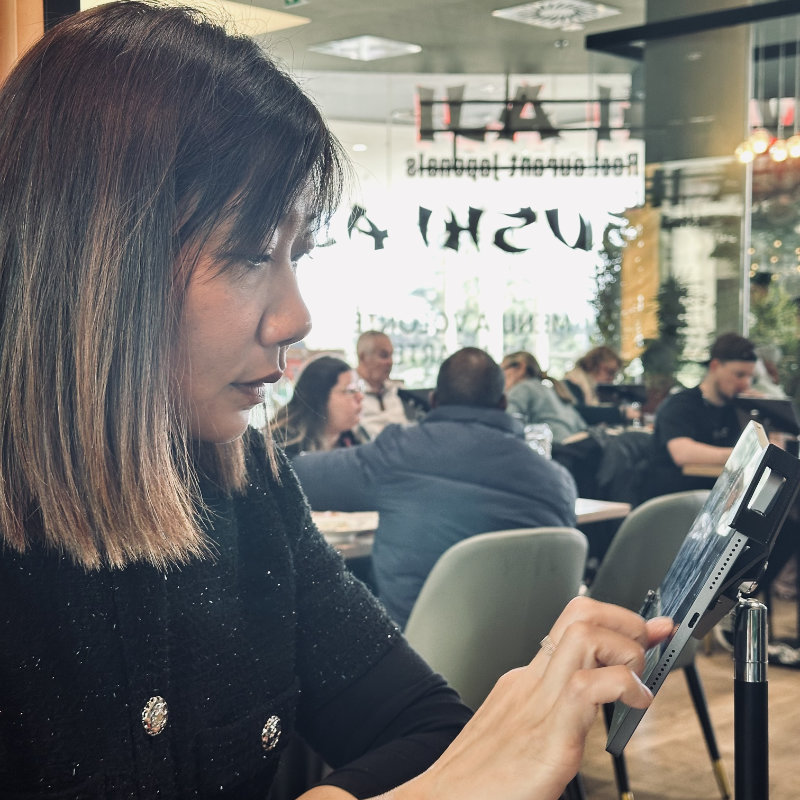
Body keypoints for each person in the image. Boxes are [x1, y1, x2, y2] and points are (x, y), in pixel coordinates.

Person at [0, 5, 673, 799]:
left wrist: (503, 731)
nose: (296, 318)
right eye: (252, 252)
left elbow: (427, 730)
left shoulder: (246, 481)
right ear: (98, 258)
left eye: (298, 254)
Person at [293, 347, 578, 628]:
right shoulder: (557, 481)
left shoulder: (399, 451)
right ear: (503, 403)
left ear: (433, 400)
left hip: (417, 650)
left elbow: (298, 476)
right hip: (532, 651)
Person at [640, 332, 757, 502]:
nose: (746, 383)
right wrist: (742, 455)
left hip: (713, 500)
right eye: (739, 375)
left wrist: (765, 412)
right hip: (674, 502)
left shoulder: (736, 410)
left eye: (750, 377)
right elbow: (682, 453)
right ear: (715, 366)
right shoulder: (680, 405)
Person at [271, 355, 366, 457]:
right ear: (319, 397)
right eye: (350, 390)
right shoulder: (284, 445)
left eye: (359, 388)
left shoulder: (354, 438)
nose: (360, 396)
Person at [501, 351, 587, 443]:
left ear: (521, 367)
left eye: (502, 370)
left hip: (552, 446)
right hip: (574, 444)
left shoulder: (522, 388)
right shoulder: (553, 389)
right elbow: (582, 426)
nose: (501, 376)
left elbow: (507, 422)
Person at [356, 330, 427, 438]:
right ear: (363, 357)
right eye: (383, 356)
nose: (390, 362)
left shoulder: (399, 391)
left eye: (391, 355)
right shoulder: (349, 394)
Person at [563, 345, 637, 426]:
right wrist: (620, 412)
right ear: (594, 365)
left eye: (614, 374)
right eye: (609, 372)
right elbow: (578, 413)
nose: (611, 378)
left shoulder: (589, 385)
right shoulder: (573, 382)